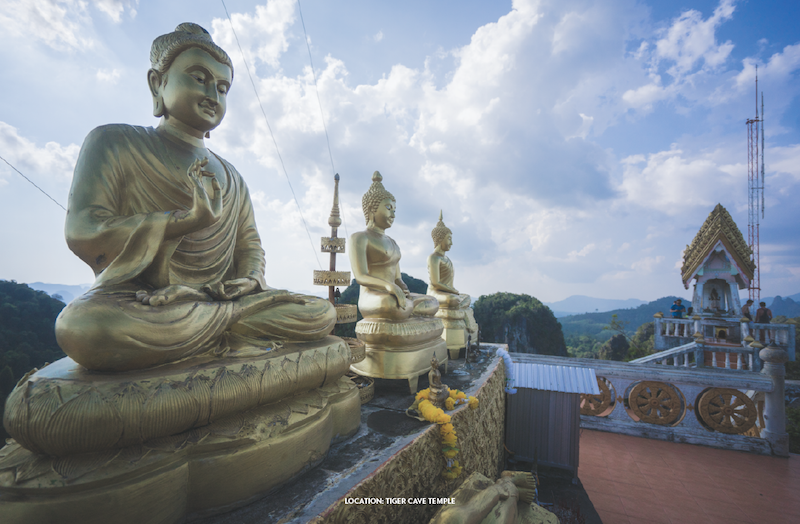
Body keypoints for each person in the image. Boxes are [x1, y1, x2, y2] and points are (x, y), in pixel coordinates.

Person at [55, 23, 335, 372]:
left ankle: (218, 327)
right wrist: (183, 222)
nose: (213, 95)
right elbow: (83, 230)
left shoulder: (233, 177)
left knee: (320, 313)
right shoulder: (114, 143)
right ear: (157, 84)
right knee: (86, 327)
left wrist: (246, 281)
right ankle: (227, 332)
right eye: (199, 78)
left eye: (223, 87)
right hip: (147, 302)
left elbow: (250, 247)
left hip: (216, 301)